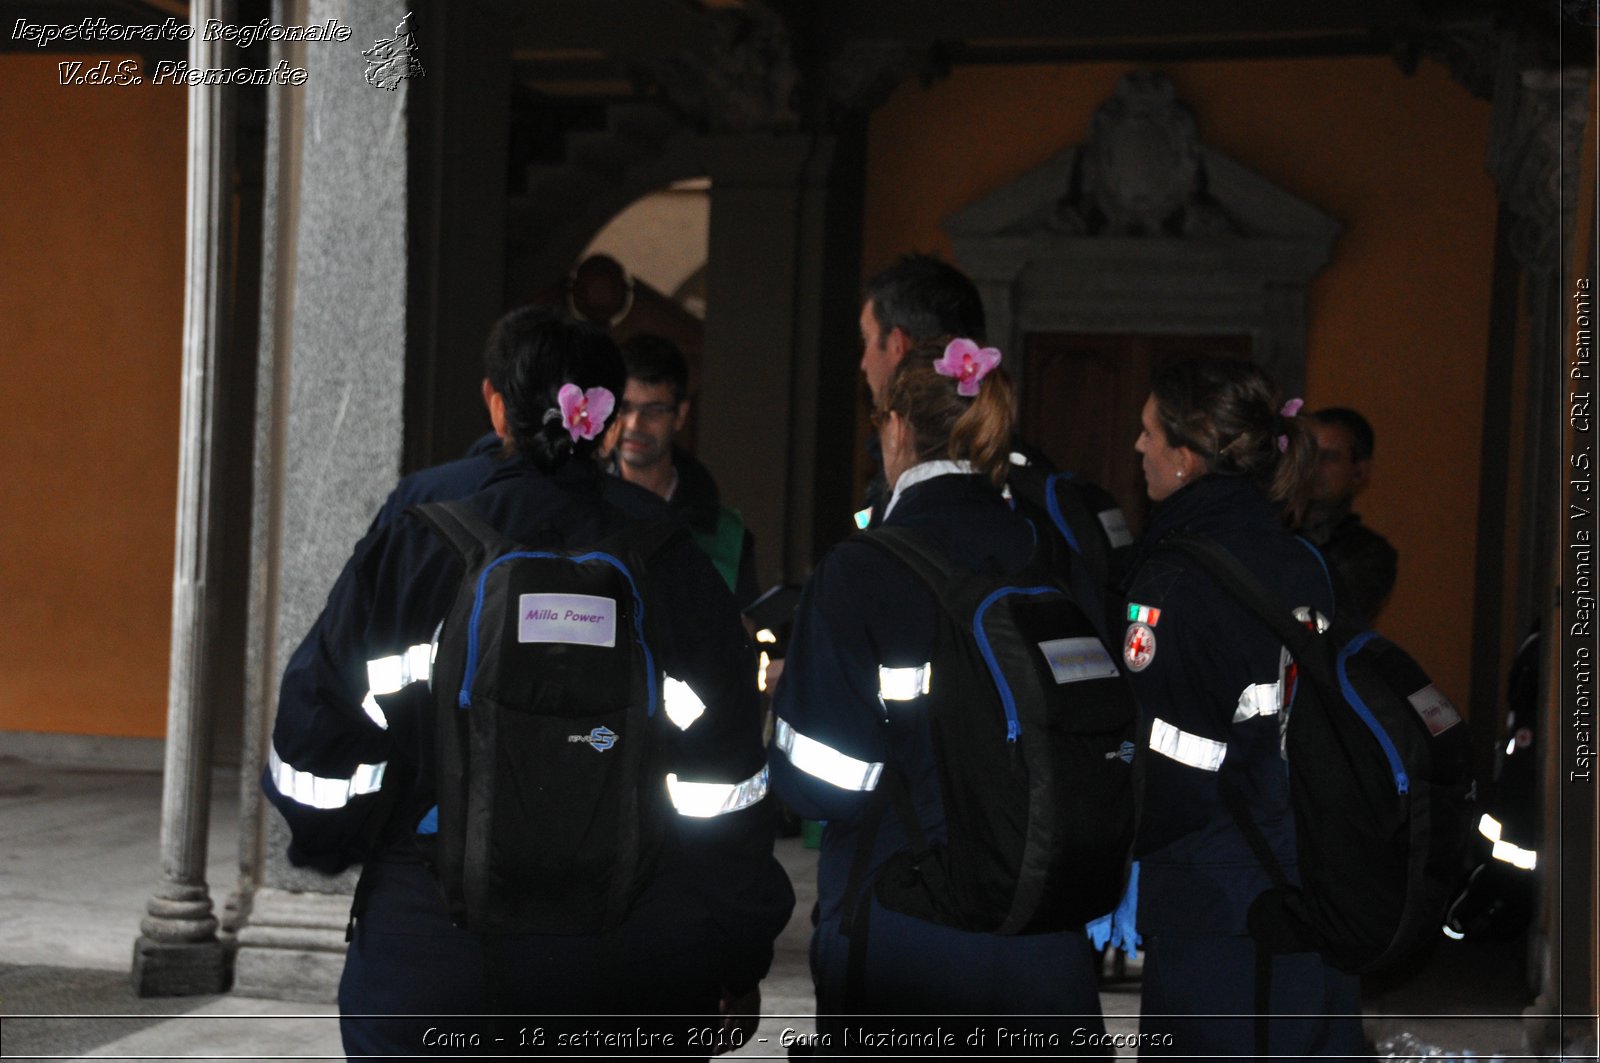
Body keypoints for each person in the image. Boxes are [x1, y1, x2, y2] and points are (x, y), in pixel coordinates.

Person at [262, 306, 793, 1058]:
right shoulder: (671, 552)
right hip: (635, 963)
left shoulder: (418, 527)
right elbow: (727, 787)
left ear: (495, 402)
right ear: (605, 422)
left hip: (432, 955)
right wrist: (738, 956)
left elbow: (312, 749)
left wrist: (363, 847)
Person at [770, 338, 1110, 1053]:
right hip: (1044, 924)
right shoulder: (1053, 551)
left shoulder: (859, 570)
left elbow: (822, 785)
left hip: (906, 924)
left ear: (895, 429)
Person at [1121, 357, 1364, 1059]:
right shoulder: (1304, 560)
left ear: (1188, 456)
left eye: (1148, 433)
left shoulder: (1173, 575)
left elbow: (1171, 771)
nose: (1139, 448)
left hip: (1220, 905)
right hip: (1312, 880)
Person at [857, 253, 1130, 636]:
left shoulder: (927, 501)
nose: (863, 363)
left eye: (868, 341)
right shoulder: (1030, 483)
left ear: (898, 345)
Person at [607, 334, 761, 607]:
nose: (633, 425)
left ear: (680, 414)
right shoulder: (583, 510)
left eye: (653, 411)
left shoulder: (725, 533)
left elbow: (749, 634)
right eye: (624, 408)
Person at [1296, 405, 1397, 626]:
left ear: (1359, 472)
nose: (1312, 466)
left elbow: (1324, 620)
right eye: (1308, 454)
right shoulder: (1269, 525)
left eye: (1328, 457)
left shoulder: (1368, 553)